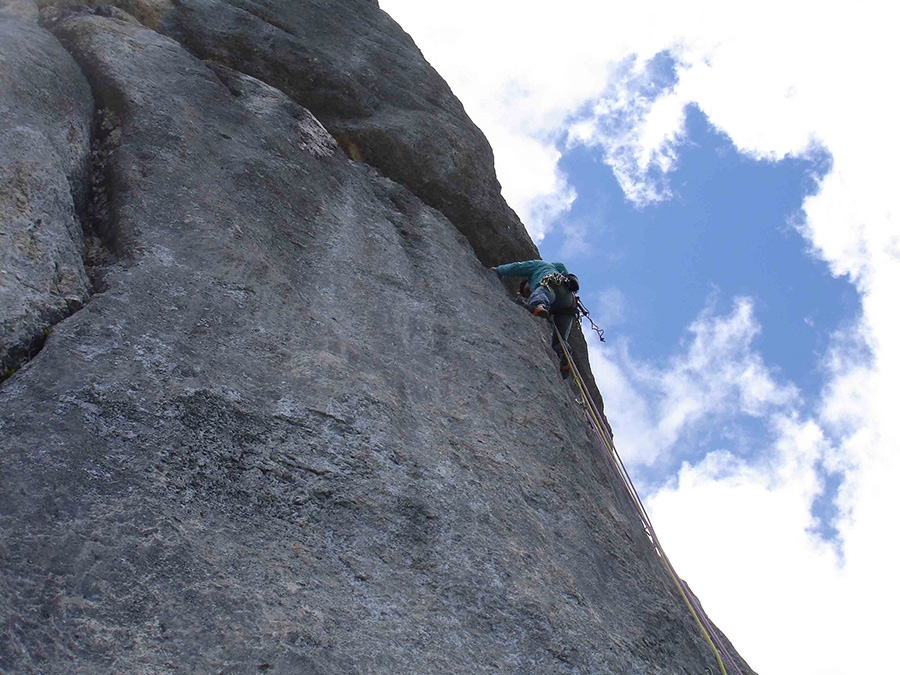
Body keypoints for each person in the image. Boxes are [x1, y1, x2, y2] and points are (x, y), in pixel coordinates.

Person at [492, 260, 578, 378]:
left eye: (527, 291)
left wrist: (499, 270)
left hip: (552, 286)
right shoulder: (561, 274)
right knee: (560, 339)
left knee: (540, 293)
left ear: (528, 281)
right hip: (569, 304)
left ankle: (539, 305)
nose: (530, 292)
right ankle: (564, 353)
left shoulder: (539, 266)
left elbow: (518, 267)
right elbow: (561, 266)